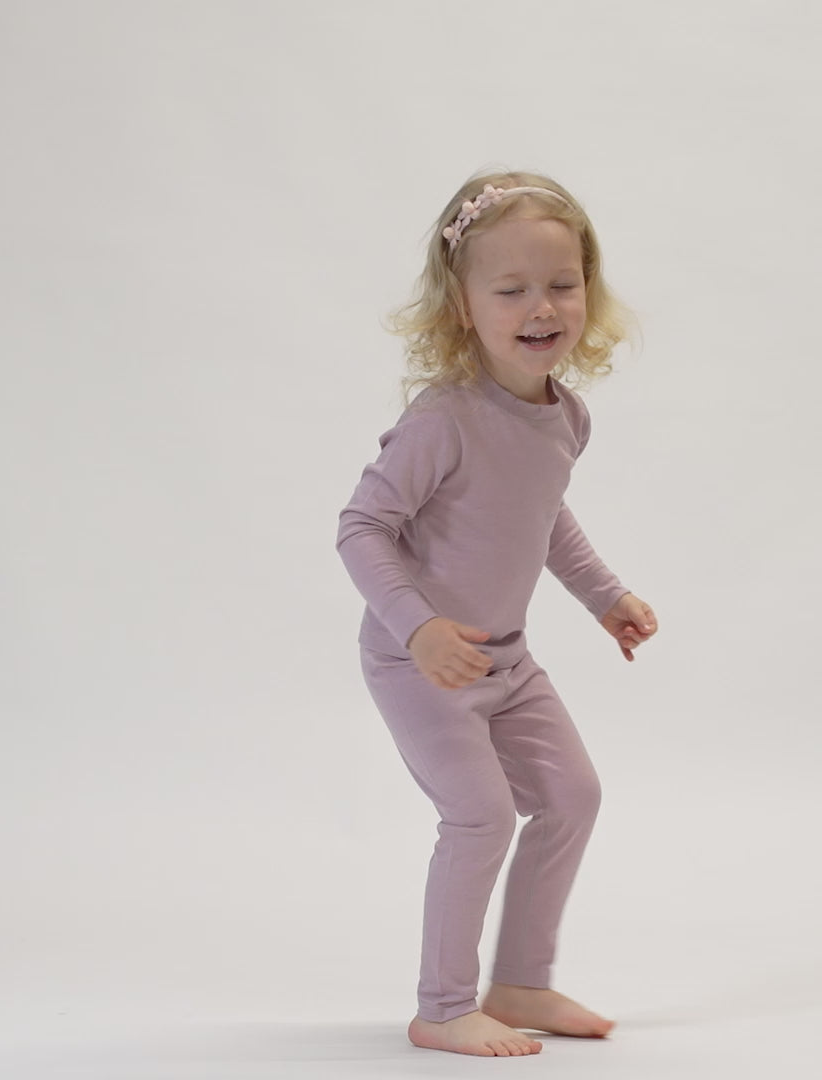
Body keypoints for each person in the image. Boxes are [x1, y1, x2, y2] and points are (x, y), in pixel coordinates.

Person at [335, 170, 658, 1058]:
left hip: (508, 662)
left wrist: (605, 596)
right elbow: (362, 527)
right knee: (479, 817)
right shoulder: (444, 420)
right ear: (461, 306)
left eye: (561, 283)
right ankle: (441, 1007)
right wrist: (420, 628)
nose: (540, 306)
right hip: (421, 665)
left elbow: (541, 514)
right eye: (509, 289)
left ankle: (520, 980)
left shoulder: (565, 418)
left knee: (572, 796)